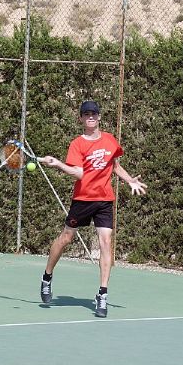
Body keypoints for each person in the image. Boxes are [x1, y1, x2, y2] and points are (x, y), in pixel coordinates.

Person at [41, 100, 147, 317]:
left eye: (94, 113)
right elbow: (78, 173)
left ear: (99, 117)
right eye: (86, 113)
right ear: (80, 118)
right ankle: (47, 276)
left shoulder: (109, 140)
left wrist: (129, 181)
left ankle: (102, 294)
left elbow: (115, 165)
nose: (91, 116)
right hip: (82, 199)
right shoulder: (77, 144)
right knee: (65, 239)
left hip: (104, 200)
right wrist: (59, 164)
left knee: (106, 242)